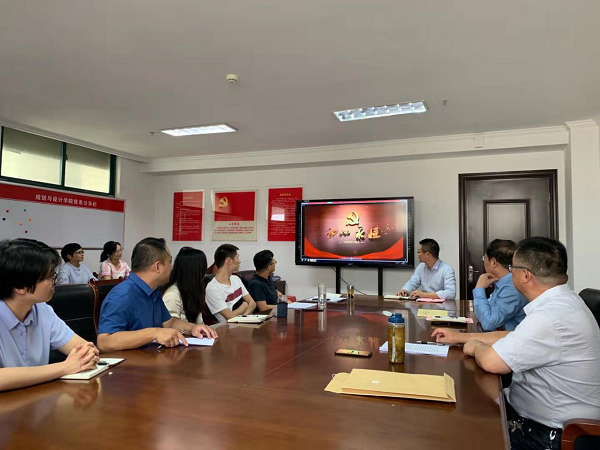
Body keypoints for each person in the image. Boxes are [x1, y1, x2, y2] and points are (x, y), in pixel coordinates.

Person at [432, 237, 600, 450]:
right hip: (535, 420)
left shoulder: (550, 317)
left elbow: (492, 361)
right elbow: (514, 336)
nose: (510, 274)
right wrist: (461, 337)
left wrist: (475, 346)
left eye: (512, 268)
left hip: (547, 435)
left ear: (526, 275)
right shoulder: (565, 303)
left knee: (453, 434)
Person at [0, 238, 100, 392]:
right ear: (20, 286)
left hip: (38, 399)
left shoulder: (42, 310)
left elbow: (82, 348)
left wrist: (88, 353)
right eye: (50, 276)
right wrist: (64, 367)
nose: (55, 281)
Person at [97, 238, 217, 352]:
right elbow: (104, 342)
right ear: (157, 266)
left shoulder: (153, 291)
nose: (172, 268)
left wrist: (191, 328)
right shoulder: (122, 296)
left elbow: (168, 323)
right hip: (130, 364)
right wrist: (154, 333)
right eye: (170, 262)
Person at [473, 239, 527, 331]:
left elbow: (488, 323)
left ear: (493, 262)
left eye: (484, 259)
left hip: (510, 338)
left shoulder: (512, 286)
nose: (484, 262)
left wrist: (479, 288)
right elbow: (482, 315)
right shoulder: (503, 282)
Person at [205, 244, 256, 323]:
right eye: (237, 257)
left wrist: (243, 317)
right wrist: (244, 305)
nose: (239, 261)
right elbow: (230, 317)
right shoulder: (212, 288)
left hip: (245, 324)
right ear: (229, 261)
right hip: (227, 328)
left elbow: (253, 303)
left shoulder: (236, 279)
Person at [162, 247, 208, 325]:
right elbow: (170, 325)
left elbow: (199, 323)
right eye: (202, 269)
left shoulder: (193, 291)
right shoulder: (172, 295)